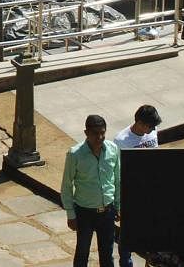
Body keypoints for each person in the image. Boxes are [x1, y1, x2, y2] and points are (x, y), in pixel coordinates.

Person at [61, 114, 121, 267]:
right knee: (82, 253)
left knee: (107, 254)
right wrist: (70, 214)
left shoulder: (113, 150)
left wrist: (119, 206)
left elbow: (117, 180)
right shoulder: (75, 154)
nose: (99, 137)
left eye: (103, 132)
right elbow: (67, 186)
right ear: (86, 133)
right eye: (95, 133)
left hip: (107, 211)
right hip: (84, 212)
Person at [115, 105, 162, 267]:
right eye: (150, 126)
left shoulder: (153, 132)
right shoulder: (122, 140)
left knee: (153, 231)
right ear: (140, 123)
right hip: (132, 190)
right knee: (127, 231)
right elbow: (118, 171)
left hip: (152, 189)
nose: (153, 129)